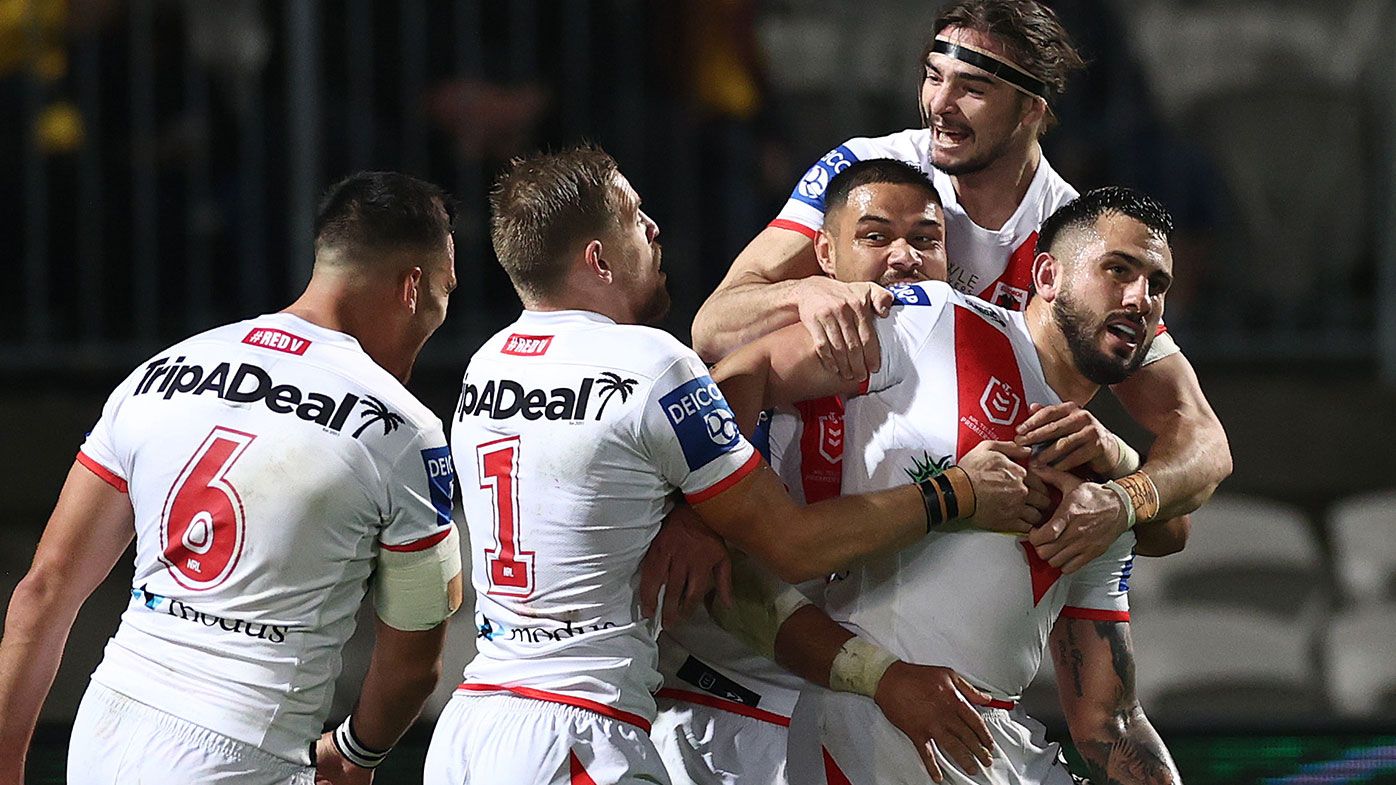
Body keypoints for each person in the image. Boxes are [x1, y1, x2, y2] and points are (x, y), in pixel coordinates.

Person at [422, 146, 1039, 785]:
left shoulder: (487, 365)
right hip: (580, 729)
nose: (654, 229)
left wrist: (695, 514)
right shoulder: (652, 365)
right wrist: (956, 492)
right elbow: (793, 545)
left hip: (473, 722)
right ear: (598, 259)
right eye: (635, 217)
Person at [650, 160, 1178, 785]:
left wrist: (1122, 473)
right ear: (1047, 274)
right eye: (1118, 269)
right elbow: (749, 367)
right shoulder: (934, 318)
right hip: (862, 724)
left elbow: (1107, 722)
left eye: (1157, 283)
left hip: (1001, 746)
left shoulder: (1104, 496)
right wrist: (698, 510)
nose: (1140, 298)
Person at [692, 0, 1230, 570]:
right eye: (932, 76)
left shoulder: (1075, 240)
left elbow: (1202, 439)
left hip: (956, 551)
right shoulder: (872, 170)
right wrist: (801, 292)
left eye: (971, 87)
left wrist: (1125, 497)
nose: (939, 105)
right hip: (811, 518)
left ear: (1030, 109)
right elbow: (714, 329)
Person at [0, 172, 466, 785]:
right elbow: (414, 667)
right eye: (446, 289)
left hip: (106, 727)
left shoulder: (156, 374)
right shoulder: (403, 429)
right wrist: (356, 753)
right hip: (243, 751)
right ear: (413, 288)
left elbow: (44, 589)